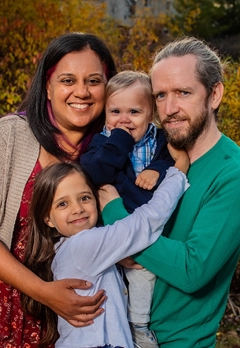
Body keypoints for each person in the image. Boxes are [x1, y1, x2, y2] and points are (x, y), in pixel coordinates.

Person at [0, 32, 118, 347]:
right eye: (67, 80)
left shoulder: (112, 154)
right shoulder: (11, 135)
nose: (82, 92)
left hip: (68, 320)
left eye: (94, 81)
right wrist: (44, 292)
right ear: (48, 87)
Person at [101, 37, 240, 347]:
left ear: (214, 94)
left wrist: (115, 216)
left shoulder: (237, 175)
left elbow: (192, 269)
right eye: (160, 95)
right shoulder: (147, 152)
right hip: (116, 332)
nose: (170, 109)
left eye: (183, 93)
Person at [22, 157, 188, 347]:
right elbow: (146, 222)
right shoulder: (82, 245)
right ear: (48, 219)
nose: (77, 209)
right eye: (62, 204)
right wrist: (178, 174)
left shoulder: (66, 248)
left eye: (85, 198)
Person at [80, 71, 175, 348]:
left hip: (145, 229)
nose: (124, 118)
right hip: (110, 229)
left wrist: (157, 170)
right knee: (110, 285)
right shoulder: (101, 142)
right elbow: (98, 173)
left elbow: (173, 161)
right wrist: (120, 139)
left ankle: (139, 325)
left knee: (143, 275)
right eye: (115, 111)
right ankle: (109, 333)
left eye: (134, 111)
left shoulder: (160, 141)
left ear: (151, 115)